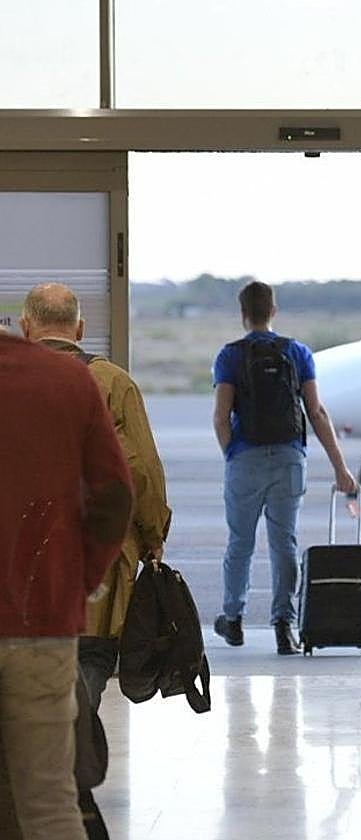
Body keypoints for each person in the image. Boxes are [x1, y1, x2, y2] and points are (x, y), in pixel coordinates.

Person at [21, 282, 173, 838]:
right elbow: (144, 473)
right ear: (81, 329)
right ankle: (70, 790)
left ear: (25, 327)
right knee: (85, 675)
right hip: (95, 571)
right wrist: (154, 535)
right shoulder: (112, 383)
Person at [0, 332, 133, 840]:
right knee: (50, 802)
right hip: (43, 616)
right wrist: (79, 580)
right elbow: (115, 492)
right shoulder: (66, 378)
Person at [211, 281, 358, 656]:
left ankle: (234, 619)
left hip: (245, 459)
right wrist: (340, 468)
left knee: (240, 543)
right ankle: (283, 625)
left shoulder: (229, 356)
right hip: (290, 458)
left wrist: (234, 455)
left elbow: (221, 417)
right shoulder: (297, 352)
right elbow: (317, 412)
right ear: (273, 311)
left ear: (244, 314)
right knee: (284, 544)